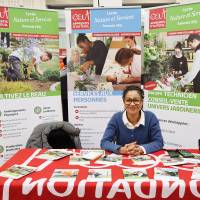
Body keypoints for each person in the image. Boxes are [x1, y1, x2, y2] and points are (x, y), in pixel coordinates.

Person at [100, 85, 164, 156]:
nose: (132, 104)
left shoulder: (151, 117)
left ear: (142, 102)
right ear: (124, 102)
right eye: (128, 100)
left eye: (136, 100)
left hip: (145, 160)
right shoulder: (116, 118)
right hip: (122, 160)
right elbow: (104, 142)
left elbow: (159, 142)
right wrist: (121, 149)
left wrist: (141, 149)